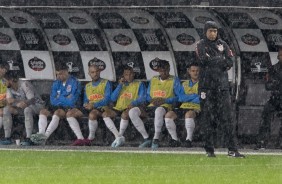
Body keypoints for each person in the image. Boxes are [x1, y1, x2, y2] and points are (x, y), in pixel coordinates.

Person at [195, 21, 244, 157]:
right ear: (205, 32)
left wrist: (216, 59)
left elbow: (229, 61)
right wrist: (220, 59)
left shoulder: (223, 44)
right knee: (207, 119)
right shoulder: (200, 45)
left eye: (215, 31)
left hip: (222, 87)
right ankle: (209, 150)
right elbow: (203, 60)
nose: (213, 33)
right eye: (210, 31)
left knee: (228, 118)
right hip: (206, 87)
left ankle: (233, 150)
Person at [30, 62, 81, 145]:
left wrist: (59, 97)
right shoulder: (56, 83)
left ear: (66, 72)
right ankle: (41, 134)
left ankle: (45, 137)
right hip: (56, 106)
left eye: (60, 74)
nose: (58, 77)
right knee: (43, 111)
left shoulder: (75, 82)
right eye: (57, 74)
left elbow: (72, 101)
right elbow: (52, 100)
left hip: (70, 107)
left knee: (58, 112)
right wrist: (65, 97)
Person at [64, 63, 112, 146]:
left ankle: (90, 138)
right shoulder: (87, 86)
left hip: (102, 107)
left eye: (96, 71)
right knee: (69, 114)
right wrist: (86, 105)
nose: (95, 74)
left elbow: (107, 99)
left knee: (92, 114)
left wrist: (94, 105)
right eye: (92, 72)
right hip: (90, 107)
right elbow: (85, 101)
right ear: (89, 74)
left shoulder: (106, 83)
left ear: (100, 72)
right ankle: (80, 138)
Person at [0, 71, 45, 146]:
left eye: (5, 80)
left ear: (12, 80)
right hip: (21, 107)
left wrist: (18, 102)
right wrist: (11, 104)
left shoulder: (24, 84)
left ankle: (29, 138)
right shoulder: (9, 88)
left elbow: (32, 100)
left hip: (37, 106)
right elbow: (10, 101)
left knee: (27, 109)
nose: (4, 83)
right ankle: (7, 137)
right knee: (6, 109)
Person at [146, 59, 183, 149]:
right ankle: (145, 139)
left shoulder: (174, 80)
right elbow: (147, 95)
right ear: (158, 70)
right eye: (163, 70)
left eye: (167, 69)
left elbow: (180, 96)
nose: (165, 72)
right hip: (151, 107)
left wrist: (166, 100)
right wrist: (152, 100)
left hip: (166, 106)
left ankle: (156, 138)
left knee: (159, 110)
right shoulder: (154, 79)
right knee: (133, 112)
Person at [110, 65, 148, 148]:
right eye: (126, 74)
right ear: (123, 76)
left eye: (130, 74)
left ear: (134, 74)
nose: (129, 76)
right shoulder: (121, 85)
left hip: (132, 108)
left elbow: (143, 98)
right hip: (118, 109)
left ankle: (119, 137)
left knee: (125, 114)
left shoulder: (139, 84)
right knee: (105, 114)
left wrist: (134, 103)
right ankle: (118, 137)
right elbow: (112, 98)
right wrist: (120, 85)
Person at [165, 62, 200, 148]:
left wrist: (187, 97)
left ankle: (188, 140)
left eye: (197, 71)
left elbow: (200, 98)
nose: (195, 73)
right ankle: (175, 139)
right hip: (183, 107)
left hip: (196, 108)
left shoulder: (203, 83)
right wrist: (194, 96)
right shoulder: (184, 84)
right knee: (168, 115)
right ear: (189, 71)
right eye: (193, 71)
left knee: (188, 114)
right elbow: (180, 98)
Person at [255, 47, 282, 149]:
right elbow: (268, 85)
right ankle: (262, 141)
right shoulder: (274, 68)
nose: (279, 57)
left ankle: (280, 142)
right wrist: (277, 84)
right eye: (279, 55)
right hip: (276, 99)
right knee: (266, 112)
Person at [0, 62, 9, 143]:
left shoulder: (5, 81)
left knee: (4, 111)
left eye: (4, 71)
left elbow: (7, 94)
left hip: (3, 104)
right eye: (2, 70)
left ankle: (7, 137)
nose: (3, 72)